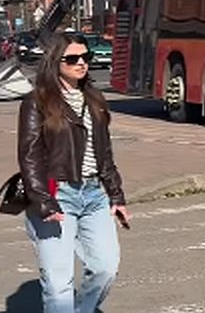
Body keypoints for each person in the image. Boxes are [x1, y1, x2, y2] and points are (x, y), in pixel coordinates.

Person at [18, 32, 130, 313]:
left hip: (93, 195)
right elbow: (29, 156)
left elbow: (104, 153)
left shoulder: (94, 98)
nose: (81, 63)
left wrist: (116, 196)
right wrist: (44, 201)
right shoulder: (37, 102)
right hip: (57, 194)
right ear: (55, 62)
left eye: (85, 57)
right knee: (58, 285)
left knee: (105, 268)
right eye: (72, 59)